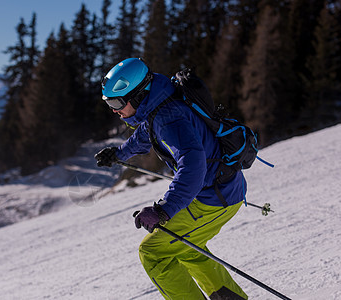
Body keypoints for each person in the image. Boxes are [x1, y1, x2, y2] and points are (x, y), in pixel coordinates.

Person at [95, 58, 248, 300]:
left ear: (136, 95)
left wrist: (165, 210)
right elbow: (145, 135)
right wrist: (119, 154)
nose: (114, 109)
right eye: (108, 103)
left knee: (153, 252)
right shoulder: (160, 102)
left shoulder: (168, 117)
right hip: (226, 190)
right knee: (188, 249)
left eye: (116, 102)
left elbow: (193, 166)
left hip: (212, 199)